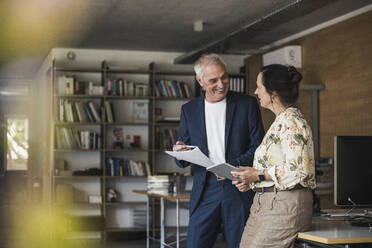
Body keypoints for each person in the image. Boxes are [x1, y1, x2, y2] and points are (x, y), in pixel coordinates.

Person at [173, 53, 265, 248]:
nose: (221, 84)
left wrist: (231, 168)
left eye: (224, 77)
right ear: (200, 81)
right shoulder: (188, 110)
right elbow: (183, 158)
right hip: (205, 189)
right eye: (213, 80)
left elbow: (258, 146)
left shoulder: (246, 104)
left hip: (238, 187)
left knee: (240, 245)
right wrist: (180, 151)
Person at [231, 64, 316, 248]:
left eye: (259, 87)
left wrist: (258, 175)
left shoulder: (292, 121)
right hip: (266, 203)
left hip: (283, 206)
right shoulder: (281, 121)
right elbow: (279, 167)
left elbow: (299, 170)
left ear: (273, 93)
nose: (255, 91)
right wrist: (252, 180)